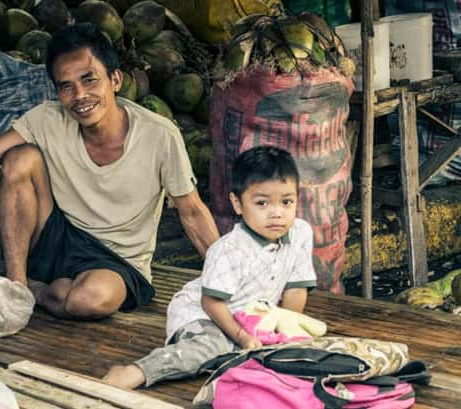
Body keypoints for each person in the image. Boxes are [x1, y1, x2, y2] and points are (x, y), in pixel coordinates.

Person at [0, 23, 219, 322]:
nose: (79, 96)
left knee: (90, 300)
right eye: (66, 86)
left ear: (115, 80)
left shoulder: (159, 135)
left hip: (119, 258)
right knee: (20, 158)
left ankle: (37, 291)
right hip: (58, 234)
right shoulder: (47, 117)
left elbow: (191, 212)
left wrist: (229, 282)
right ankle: (16, 290)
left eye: (89, 79)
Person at [103, 146, 317, 389]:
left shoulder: (300, 233)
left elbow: (295, 290)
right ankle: (137, 370)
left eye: (286, 202)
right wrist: (241, 336)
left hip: (251, 317)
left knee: (291, 352)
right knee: (211, 349)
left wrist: (284, 334)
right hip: (204, 313)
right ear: (237, 203)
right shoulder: (230, 249)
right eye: (262, 203)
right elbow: (211, 303)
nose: (277, 213)